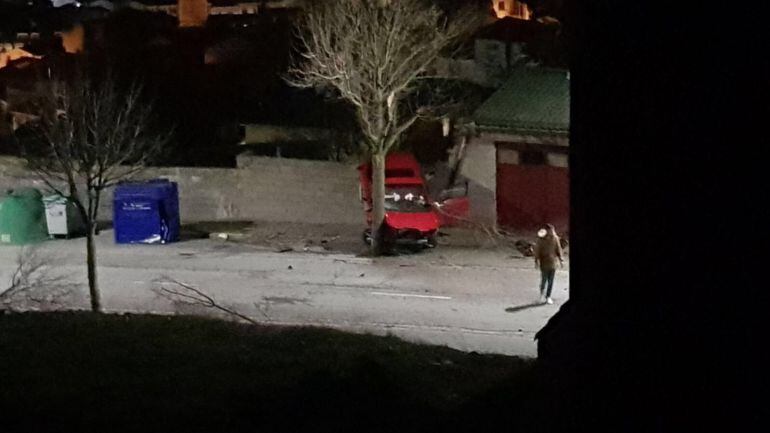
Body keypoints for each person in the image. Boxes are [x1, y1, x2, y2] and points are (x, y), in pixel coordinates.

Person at [534, 223, 564, 304]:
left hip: (553, 263)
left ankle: (548, 296)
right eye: (550, 230)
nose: (552, 232)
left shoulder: (555, 239)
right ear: (546, 231)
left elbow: (558, 249)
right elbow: (537, 250)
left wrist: (561, 259)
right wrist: (536, 261)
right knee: (544, 280)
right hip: (544, 263)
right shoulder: (540, 240)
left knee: (551, 281)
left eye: (552, 230)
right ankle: (541, 294)